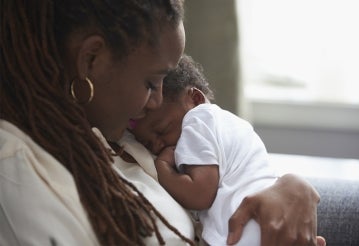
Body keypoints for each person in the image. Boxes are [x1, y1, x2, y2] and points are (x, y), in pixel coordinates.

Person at [0, 0, 325, 245]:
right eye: (151, 82)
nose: (155, 102)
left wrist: (288, 187)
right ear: (91, 59)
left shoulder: (119, 132)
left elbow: (226, 169)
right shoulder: (21, 167)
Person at [129, 54, 284, 245]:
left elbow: (200, 194)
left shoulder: (198, 119)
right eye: (148, 143)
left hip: (250, 229)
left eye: (162, 130)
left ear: (195, 99)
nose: (157, 145)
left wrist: (161, 168)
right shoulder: (227, 123)